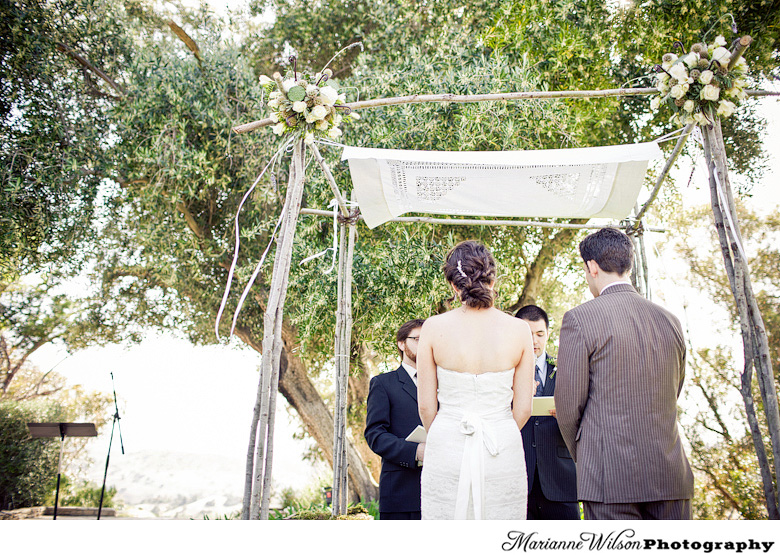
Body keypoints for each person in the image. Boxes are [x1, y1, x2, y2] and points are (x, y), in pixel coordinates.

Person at [555, 227, 694, 520]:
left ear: (592, 266)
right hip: (671, 477)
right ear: (628, 264)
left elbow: (568, 409)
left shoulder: (579, 319)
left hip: (609, 481)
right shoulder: (670, 321)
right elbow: (674, 390)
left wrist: (591, 458)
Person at [417, 240, 535, 520]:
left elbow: (425, 406)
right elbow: (524, 409)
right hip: (501, 445)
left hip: (447, 443)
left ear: (453, 285)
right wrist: (498, 426)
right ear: (493, 279)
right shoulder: (520, 330)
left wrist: (447, 432)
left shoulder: (433, 328)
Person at [516, 304, 579, 520]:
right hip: (518, 478)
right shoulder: (504, 374)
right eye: (528, 334)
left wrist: (569, 416)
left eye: (540, 334)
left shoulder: (567, 370)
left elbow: (586, 417)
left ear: (548, 334)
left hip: (560, 478)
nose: (534, 341)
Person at [364, 319, 426, 520]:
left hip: (443, 491)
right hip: (401, 493)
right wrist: (415, 451)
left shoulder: (445, 383)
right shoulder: (383, 383)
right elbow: (375, 435)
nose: (424, 345)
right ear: (401, 343)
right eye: (417, 339)